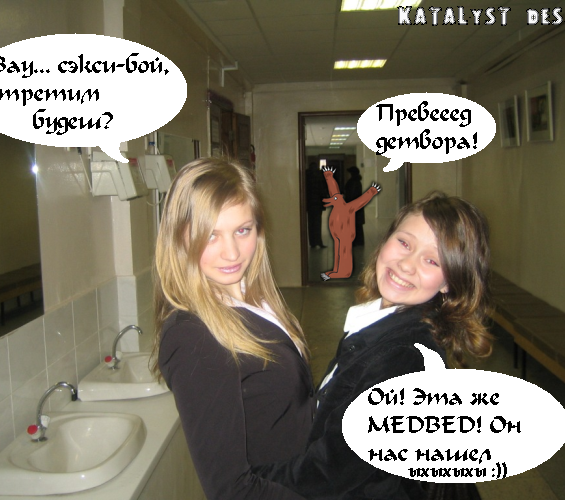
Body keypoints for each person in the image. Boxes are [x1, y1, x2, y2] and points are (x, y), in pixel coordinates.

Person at [255, 191, 493, 499]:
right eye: (404, 243)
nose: (407, 264)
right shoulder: (382, 322)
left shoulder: (402, 359)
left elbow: (331, 470)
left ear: (449, 282)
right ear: (386, 239)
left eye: (431, 260)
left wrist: (248, 481)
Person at [152, 157, 315, 500]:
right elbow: (231, 490)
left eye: (243, 230)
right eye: (210, 235)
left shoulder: (252, 297)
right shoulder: (192, 337)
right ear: (180, 238)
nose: (232, 253)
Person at [306, 162, 327, 248]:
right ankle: (318, 241)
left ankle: (312, 242)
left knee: (311, 224)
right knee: (317, 223)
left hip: (309, 204)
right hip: (317, 204)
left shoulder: (306, 176)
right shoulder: (319, 176)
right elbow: (322, 190)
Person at [344, 166, 365, 246]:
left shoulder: (353, 182)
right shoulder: (356, 181)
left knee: (354, 224)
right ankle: (358, 241)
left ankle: (355, 241)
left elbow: (351, 195)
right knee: (357, 224)